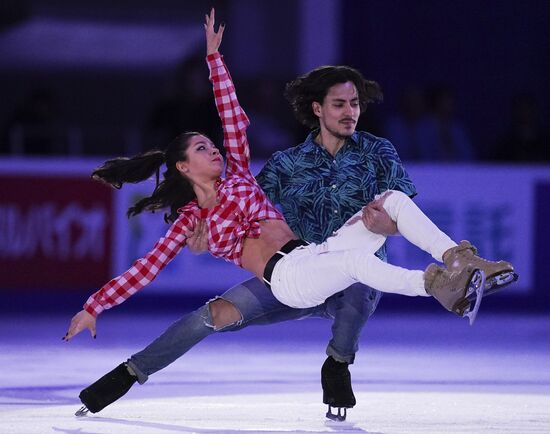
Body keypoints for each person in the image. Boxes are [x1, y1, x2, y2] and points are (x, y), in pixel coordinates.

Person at [64, 9, 515, 419]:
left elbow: (231, 115)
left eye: (212, 144)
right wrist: (93, 306)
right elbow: (145, 269)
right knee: (220, 312)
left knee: (390, 202)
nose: (215, 149)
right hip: (285, 279)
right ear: (183, 166)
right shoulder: (190, 223)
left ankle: (459, 260)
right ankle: (438, 287)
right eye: (203, 148)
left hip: (314, 254)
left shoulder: (239, 173)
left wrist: (214, 59)